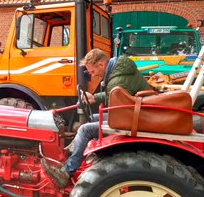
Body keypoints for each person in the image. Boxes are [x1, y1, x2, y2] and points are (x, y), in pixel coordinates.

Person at [41, 48, 150, 187]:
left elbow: (114, 97)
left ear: (101, 65)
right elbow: (117, 95)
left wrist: (93, 98)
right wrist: (93, 98)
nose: (92, 75)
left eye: (92, 71)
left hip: (135, 117)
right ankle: (76, 151)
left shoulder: (117, 78)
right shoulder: (119, 70)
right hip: (132, 111)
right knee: (92, 118)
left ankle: (67, 171)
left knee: (85, 130)